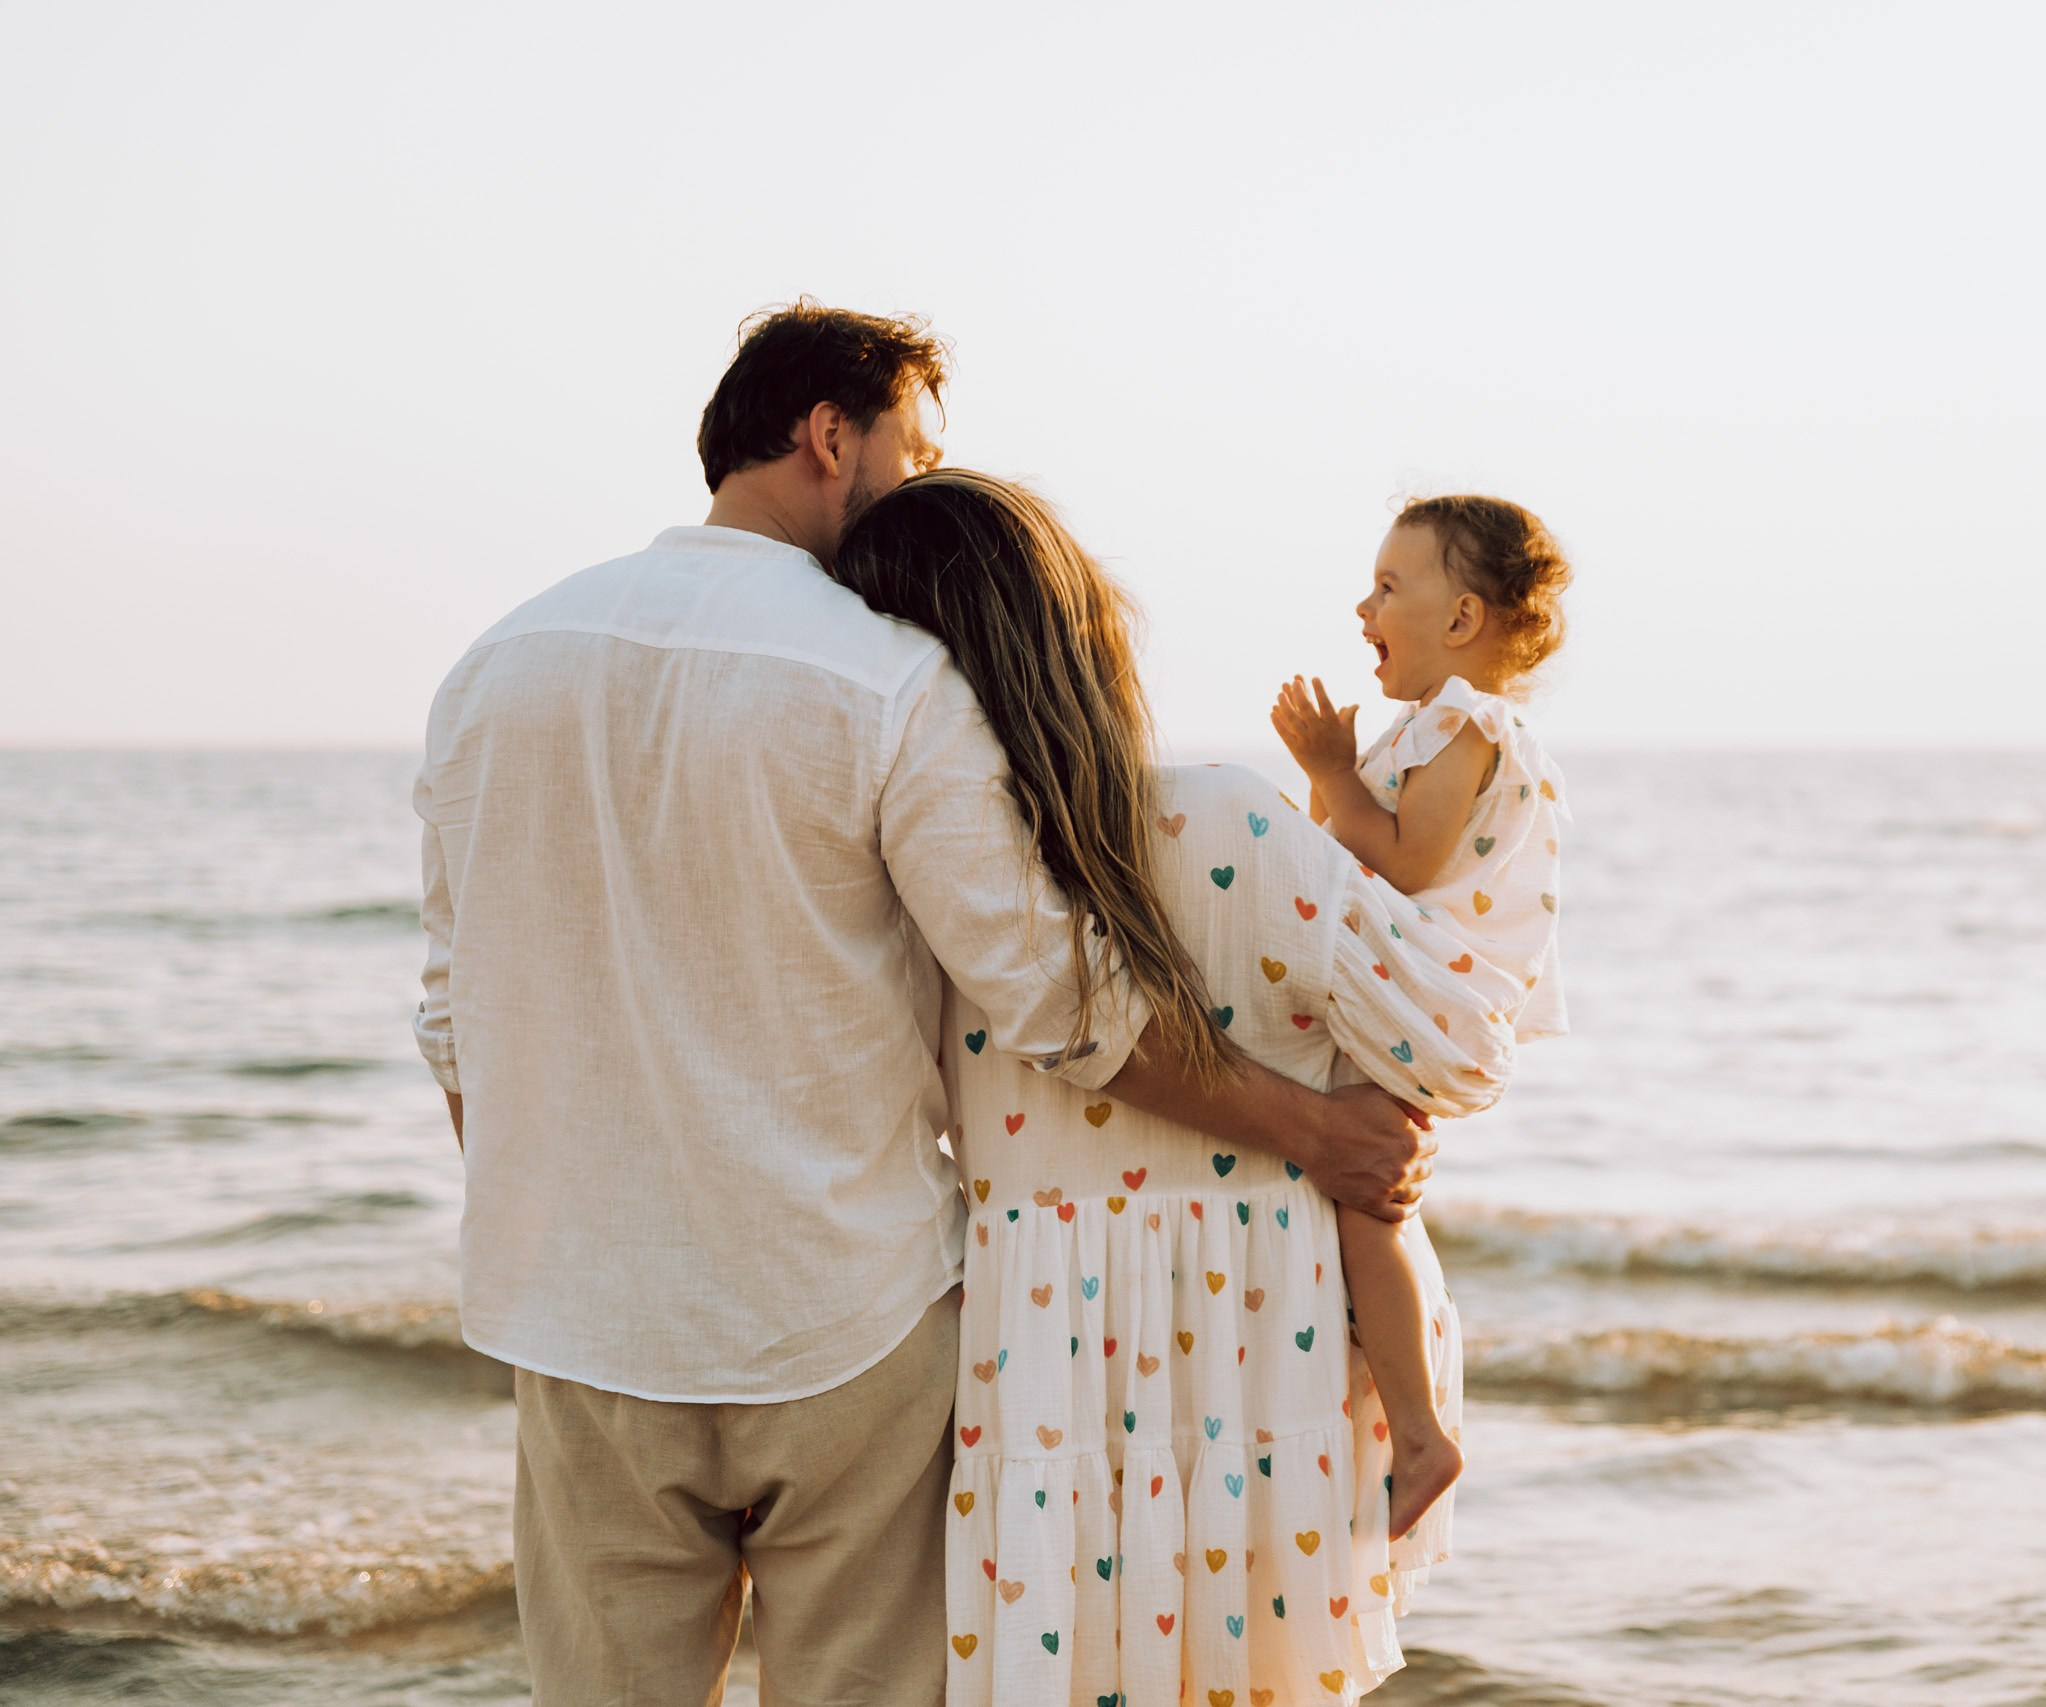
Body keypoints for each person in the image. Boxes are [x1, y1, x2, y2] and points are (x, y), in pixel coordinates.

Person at [410, 302, 1438, 1705]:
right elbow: (1055, 999)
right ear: (830, 436)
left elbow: (453, 1021)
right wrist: (1313, 1130)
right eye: (916, 447)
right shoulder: (887, 678)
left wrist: (570, 1250)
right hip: (848, 1318)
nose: (925, 481)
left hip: (586, 1329)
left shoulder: (493, 667)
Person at [834, 471, 1529, 1707]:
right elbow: (1465, 1047)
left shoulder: (910, 881)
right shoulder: (1226, 822)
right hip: (1257, 1332)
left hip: (1035, 1346)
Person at [1269, 496, 1573, 1539]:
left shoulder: (1465, 725)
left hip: (1422, 988)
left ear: (1462, 618)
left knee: (1368, 1203)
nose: (1364, 609)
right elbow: (1341, 849)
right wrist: (1330, 781)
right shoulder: (1429, 727)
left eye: (1388, 588)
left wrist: (1327, 768)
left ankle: (1420, 1433)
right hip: (1404, 977)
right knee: (1354, 1188)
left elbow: (1400, 862)